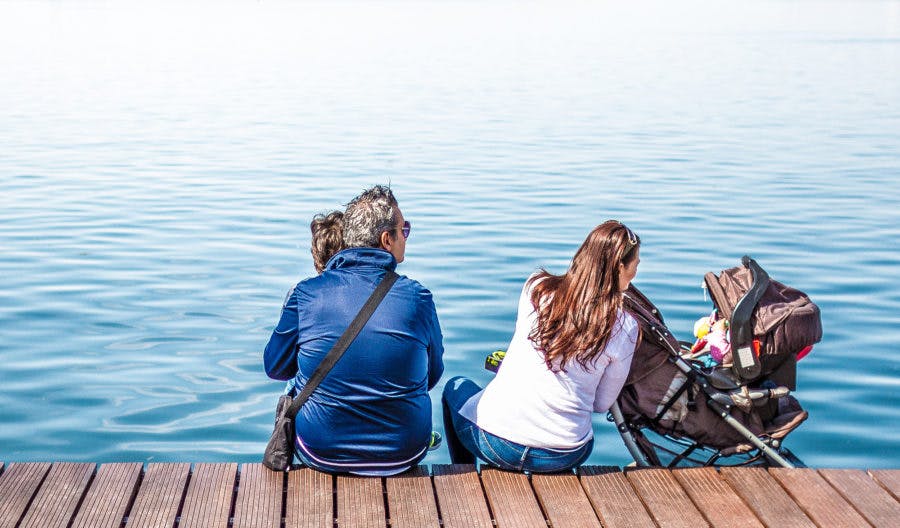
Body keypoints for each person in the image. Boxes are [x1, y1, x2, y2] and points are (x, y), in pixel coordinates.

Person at [264, 185, 445, 475]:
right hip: (404, 452)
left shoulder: (306, 293)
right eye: (405, 230)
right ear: (387, 239)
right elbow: (432, 376)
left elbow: (275, 367)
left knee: (295, 382)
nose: (406, 237)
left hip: (320, 452)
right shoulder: (418, 298)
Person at [442, 220, 641, 473]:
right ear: (620, 266)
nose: (636, 271)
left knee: (455, 387)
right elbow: (600, 404)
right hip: (565, 454)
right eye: (636, 264)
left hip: (497, 445)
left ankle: (464, 473)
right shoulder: (626, 327)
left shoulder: (536, 288)